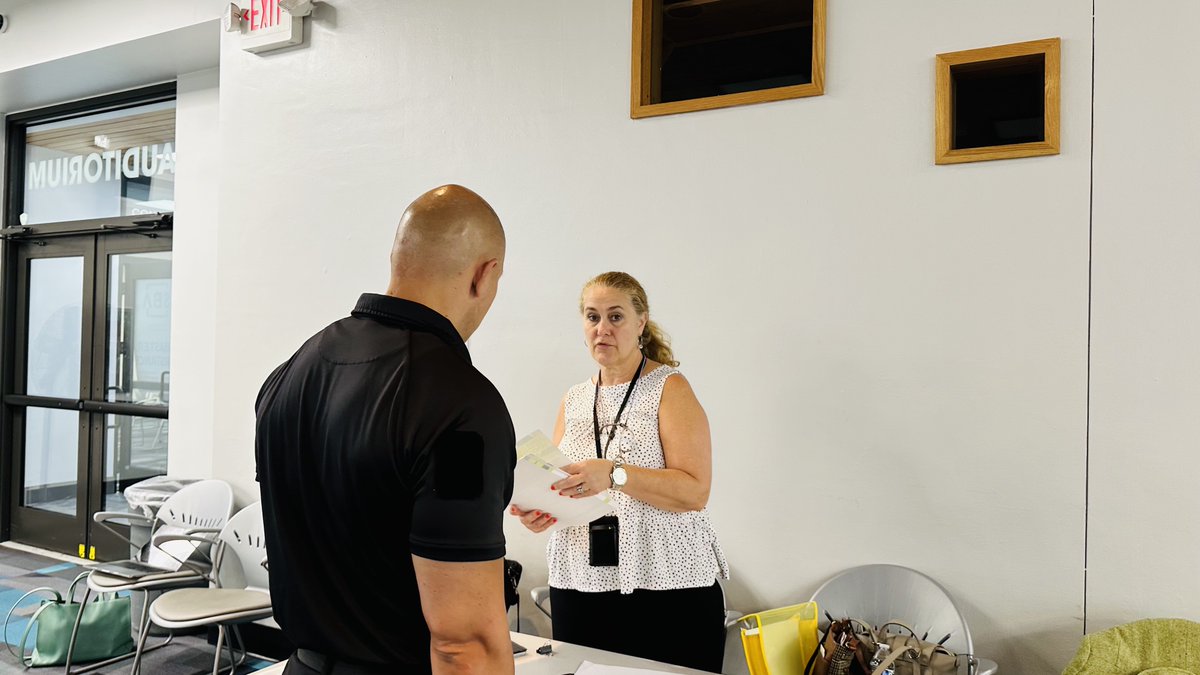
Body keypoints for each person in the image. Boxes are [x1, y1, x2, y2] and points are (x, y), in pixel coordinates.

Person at [255, 185, 516, 675]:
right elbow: (464, 644)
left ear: (400, 257)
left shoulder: (291, 371)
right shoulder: (461, 407)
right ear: (486, 274)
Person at [510, 271, 730, 672]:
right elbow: (565, 484)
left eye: (615, 317)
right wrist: (543, 511)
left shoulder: (669, 387)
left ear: (641, 322)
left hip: (667, 583)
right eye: (592, 317)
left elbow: (695, 491)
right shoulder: (574, 399)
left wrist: (614, 474)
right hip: (583, 584)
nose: (602, 329)